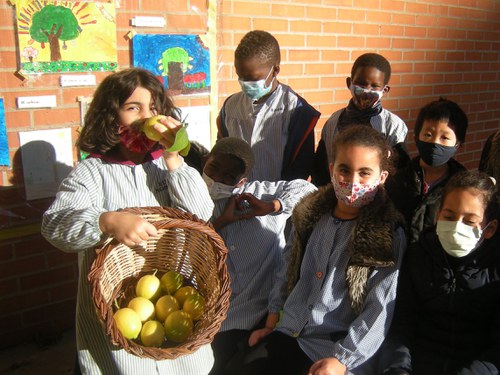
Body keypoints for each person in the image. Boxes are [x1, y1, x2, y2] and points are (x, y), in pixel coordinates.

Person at [41, 68, 215, 375]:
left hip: (171, 301)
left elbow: (201, 214)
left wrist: (174, 157)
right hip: (116, 313)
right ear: (111, 117)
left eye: (155, 109)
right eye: (133, 108)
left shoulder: (165, 167)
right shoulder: (92, 172)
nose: (148, 118)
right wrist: (104, 221)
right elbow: (55, 225)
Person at [227, 125, 406, 375]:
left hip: (333, 350)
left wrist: (343, 359)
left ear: (381, 178)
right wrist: (271, 323)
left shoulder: (386, 234)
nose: (353, 182)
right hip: (288, 331)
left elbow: (379, 307)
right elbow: (286, 271)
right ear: (332, 170)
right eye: (344, 170)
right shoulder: (308, 215)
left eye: (365, 173)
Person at [200, 137, 317, 374]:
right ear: (205, 163)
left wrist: (272, 206)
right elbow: (184, 248)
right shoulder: (194, 203)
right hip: (221, 319)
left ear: (242, 181)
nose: (218, 179)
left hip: (267, 312)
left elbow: (309, 190)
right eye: (213, 169)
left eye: (229, 176)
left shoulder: (258, 194)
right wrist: (221, 223)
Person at [377, 170, 500, 374]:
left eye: (469, 221)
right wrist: (397, 369)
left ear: (489, 228)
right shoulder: (418, 255)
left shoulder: (495, 269)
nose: (456, 227)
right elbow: (400, 326)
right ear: (437, 215)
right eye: (449, 216)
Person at [217, 30, 321, 182]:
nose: (246, 84)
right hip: (235, 199)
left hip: (277, 201)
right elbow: (222, 149)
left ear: (275, 70)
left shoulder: (297, 112)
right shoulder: (231, 106)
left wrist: (277, 203)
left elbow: (300, 171)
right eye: (241, 77)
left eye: (253, 79)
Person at [313, 53, 409, 186]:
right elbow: (320, 170)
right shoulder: (333, 122)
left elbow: (399, 172)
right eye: (361, 84)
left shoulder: (393, 127)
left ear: (385, 90)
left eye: (374, 86)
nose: (366, 91)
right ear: (349, 83)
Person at [385, 97, 468, 244]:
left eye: (445, 137)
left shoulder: (463, 188)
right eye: (428, 134)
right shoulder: (398, 180)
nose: (435, 142)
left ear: (458, 145)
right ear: (416, 137)